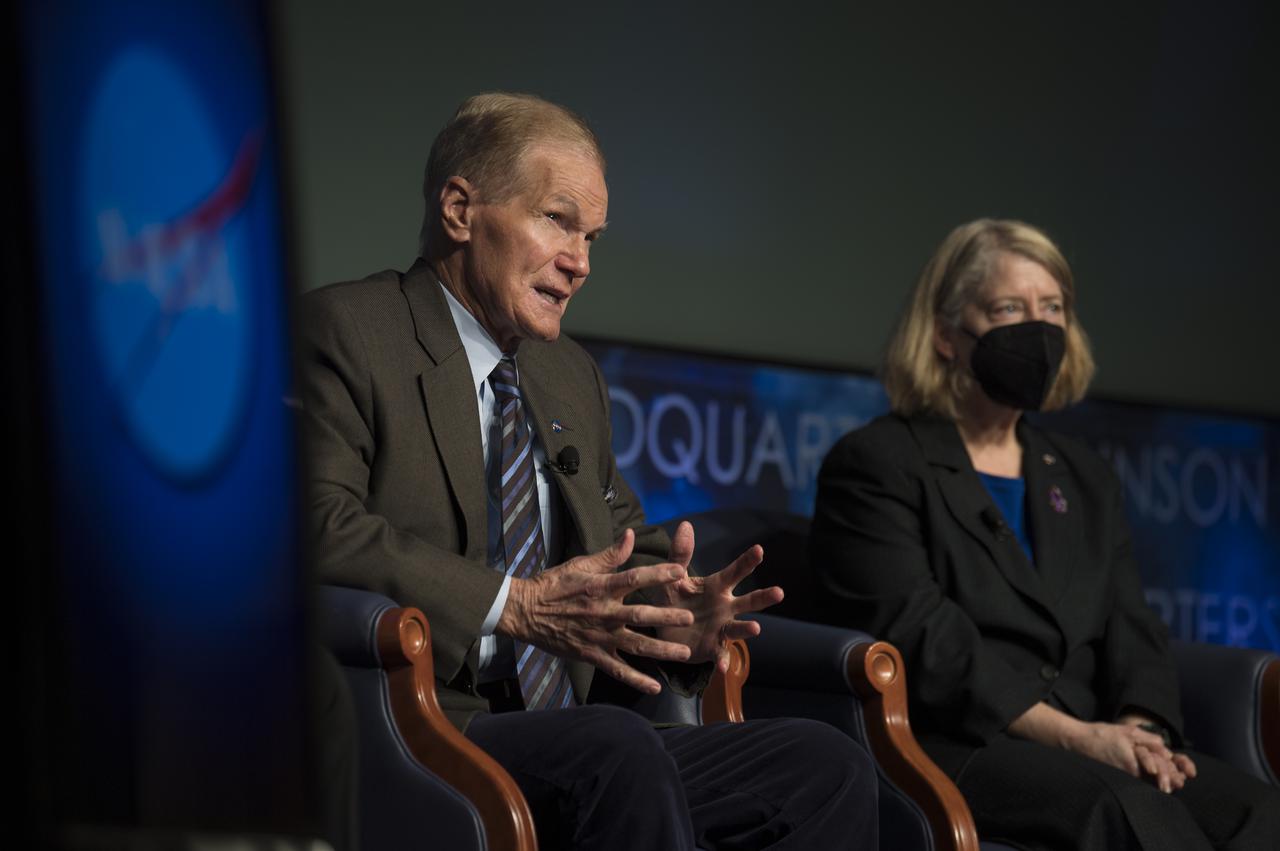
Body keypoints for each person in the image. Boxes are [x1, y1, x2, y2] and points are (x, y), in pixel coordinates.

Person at [299, 92, 877, 850]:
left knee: (823, 763)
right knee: (612, 748)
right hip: (420, 722)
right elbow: (313, 524)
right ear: (460, 210)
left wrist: (675, 615)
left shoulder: (568, 375)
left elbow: (621, 544)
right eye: (557, 220)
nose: (580, 262)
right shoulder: (348, 331)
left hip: (574, 734)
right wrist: (512, 604)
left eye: (592, 236)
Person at [810, 218, 1280, 851]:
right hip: (967, 741)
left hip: (1096, 735)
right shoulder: (877, 463)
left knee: (1261, 813)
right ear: (947, 335)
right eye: (1009, 308)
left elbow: (1131, 625)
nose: (1038, 329)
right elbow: (924, 639)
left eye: (1052, 307)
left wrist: (1140, 731)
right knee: (1132, 813)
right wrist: (1077, 738)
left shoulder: (1084, 476)